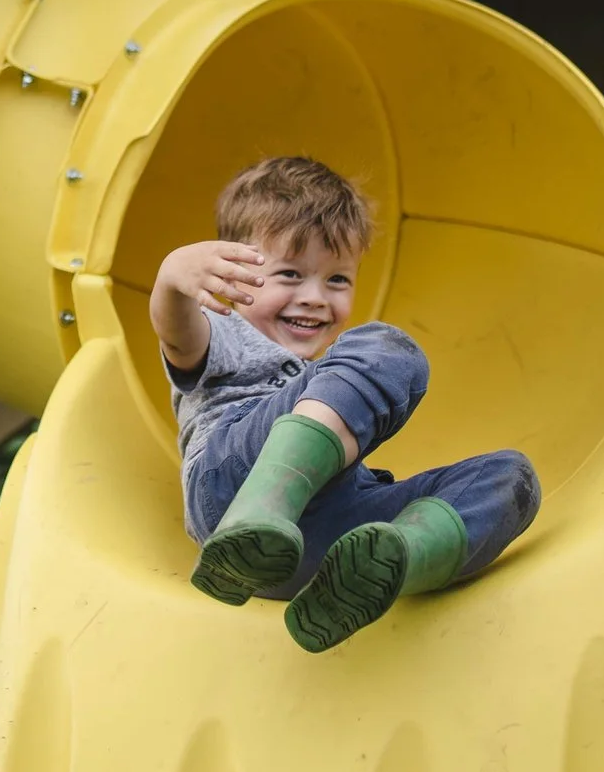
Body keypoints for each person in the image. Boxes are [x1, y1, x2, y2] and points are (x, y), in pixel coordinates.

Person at [149, 156, 540, 652]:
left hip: (312, 545)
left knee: (509, 478)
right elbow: (176, 333)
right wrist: (171, 279)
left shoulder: (324, 372)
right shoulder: (221, 330)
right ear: (232, 277)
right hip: (231, 488)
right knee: (385, 347)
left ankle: (384, 564)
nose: (315, 297)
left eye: (337, 280)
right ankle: (259, 514)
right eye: (290, 274)